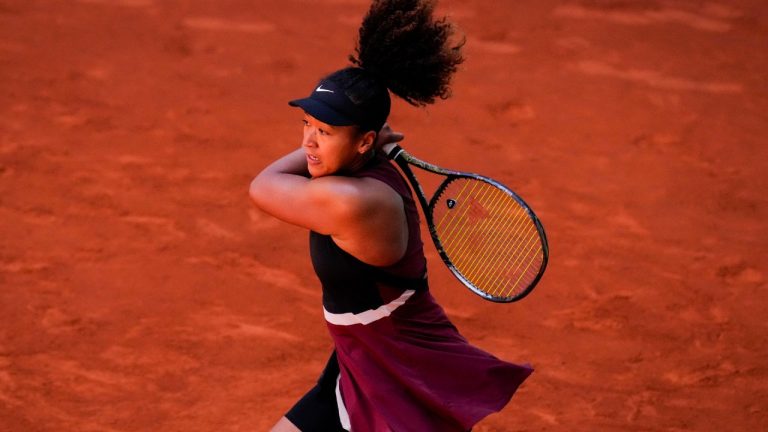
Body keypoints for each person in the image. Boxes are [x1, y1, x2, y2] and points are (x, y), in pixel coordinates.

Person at [249, 1, 533, 430]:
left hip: (394, 363)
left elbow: (263, 186)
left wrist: (365, 137)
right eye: (306, 123)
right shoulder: (359, 169)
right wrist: (346, 139)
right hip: (360, 353)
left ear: (365, 143)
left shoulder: (352, 201)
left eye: (324, 132)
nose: (309, 141)